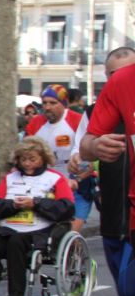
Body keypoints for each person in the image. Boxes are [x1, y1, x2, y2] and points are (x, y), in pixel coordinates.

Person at [79, 51, 135, 296]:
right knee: (128, 292)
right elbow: (85, 145)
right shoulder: (122, 84)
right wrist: (95, 146)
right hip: (122, 209)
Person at [0, 137, 75, 296]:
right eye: (23, 159)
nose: (27, 164)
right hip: (9, 227)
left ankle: (16, 294)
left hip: (39, 231)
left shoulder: (54, 178)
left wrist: (35, 204)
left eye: (32, 159)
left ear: (43, 158)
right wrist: (13, 205)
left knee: (16, 242)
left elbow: (66, 208)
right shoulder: (10, 178)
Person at [26, 83, 89, 232]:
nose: (47, 107)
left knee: (70, 231)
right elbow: (25, 152)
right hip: (46, 183)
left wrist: (78, 178)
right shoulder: (36, 123)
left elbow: (90, 154)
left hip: (78, 182)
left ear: (64, 104)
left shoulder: (77, 120)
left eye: (53, 103)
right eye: (45, 103)